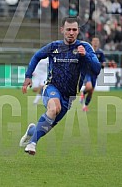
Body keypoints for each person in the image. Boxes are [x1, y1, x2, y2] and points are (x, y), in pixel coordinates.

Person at [19, 17, 101, 155]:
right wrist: (28, 76)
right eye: (68, 29)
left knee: (46, 127)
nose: (71, 32)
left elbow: (97, 69)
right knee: (54, 108)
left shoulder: (85, 47)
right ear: (62, 30)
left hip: (69, 97)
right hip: (52, 88)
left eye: (74, 30)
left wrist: (86, 55)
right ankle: (32, 144)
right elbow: (37, 56)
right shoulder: (54, 46)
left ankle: (31, 131)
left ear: (78, 31)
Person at [80, 37, 105, 112]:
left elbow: (103, 63)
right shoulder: (88, 50)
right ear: (91, 42)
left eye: (97, 41)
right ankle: (83, 93)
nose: (95, 42)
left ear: (99, 43)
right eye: (94, 41)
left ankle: (85, 106)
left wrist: (101, 65)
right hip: (87, 72)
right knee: (89, 86)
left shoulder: (100, 52)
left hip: (94, 73)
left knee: (91, 92)